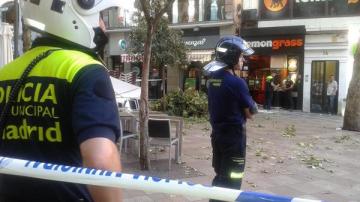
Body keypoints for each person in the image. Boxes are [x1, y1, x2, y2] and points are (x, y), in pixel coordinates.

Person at [0, 1, 122, 201]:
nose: (104, 26)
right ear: (77, 12)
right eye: (101, 16)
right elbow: (101, 162)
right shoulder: (86, 71)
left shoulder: (5, 73)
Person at [203, 36, 256, 201]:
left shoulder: (212, 80)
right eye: (240, 56)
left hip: (217, 136)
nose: (243, 60)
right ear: (232, 57)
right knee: (232, 181)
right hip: (234, 139)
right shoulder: (237, 82)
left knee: (220, 175)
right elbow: (250, 113)